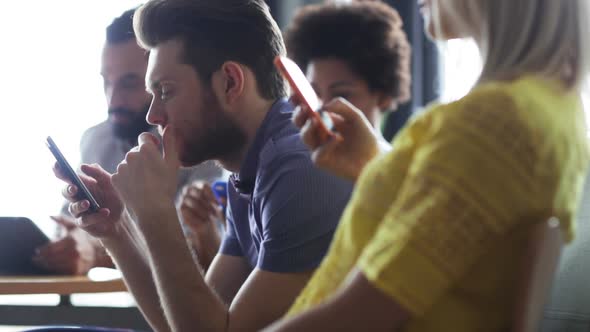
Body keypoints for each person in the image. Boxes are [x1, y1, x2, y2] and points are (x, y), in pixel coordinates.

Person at [266, 0, 590, 331]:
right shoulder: (552, 108)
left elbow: (359, 316)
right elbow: (461, 242)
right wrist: (372, 166)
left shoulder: (492, 122)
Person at [56, 1, 353, 331]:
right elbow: (187, 320)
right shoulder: (249, 169)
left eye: (165, 91)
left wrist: (156, 210)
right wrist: (117, 229)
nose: (153, 116)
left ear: (229, 82)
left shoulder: (303, 168)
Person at [34, 7, 224, 275]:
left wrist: (98, 251)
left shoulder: (200, 143)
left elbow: (199, 248)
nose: (112, 101)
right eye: (106, 83)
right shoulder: (96, 140)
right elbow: (69, 223)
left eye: (129, 84)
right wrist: (69, 238)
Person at [283, 1, 411, 130]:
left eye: (341, 95)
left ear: (383, 97)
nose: (322, 109)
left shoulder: (403, 150)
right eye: (315, 94)